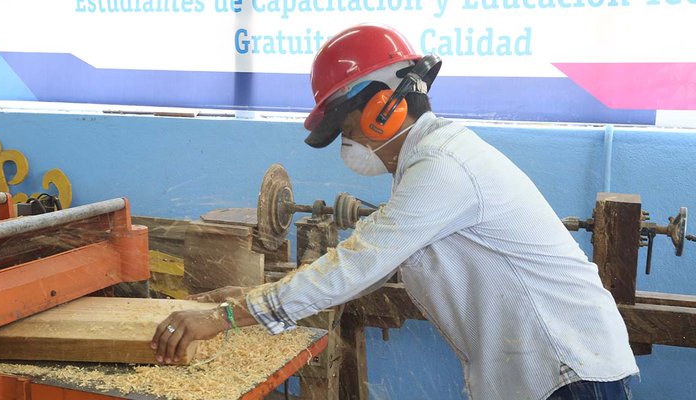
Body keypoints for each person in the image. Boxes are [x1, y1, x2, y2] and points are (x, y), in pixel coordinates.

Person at [150, 23, 638, 400]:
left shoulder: (444, 169)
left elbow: (357, 263)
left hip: (568, 377)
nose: (348, 143)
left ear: (385, 108)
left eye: (347, 127)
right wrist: (250, 294)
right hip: (548, 375)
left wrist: (230, 316)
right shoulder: (430, 164)